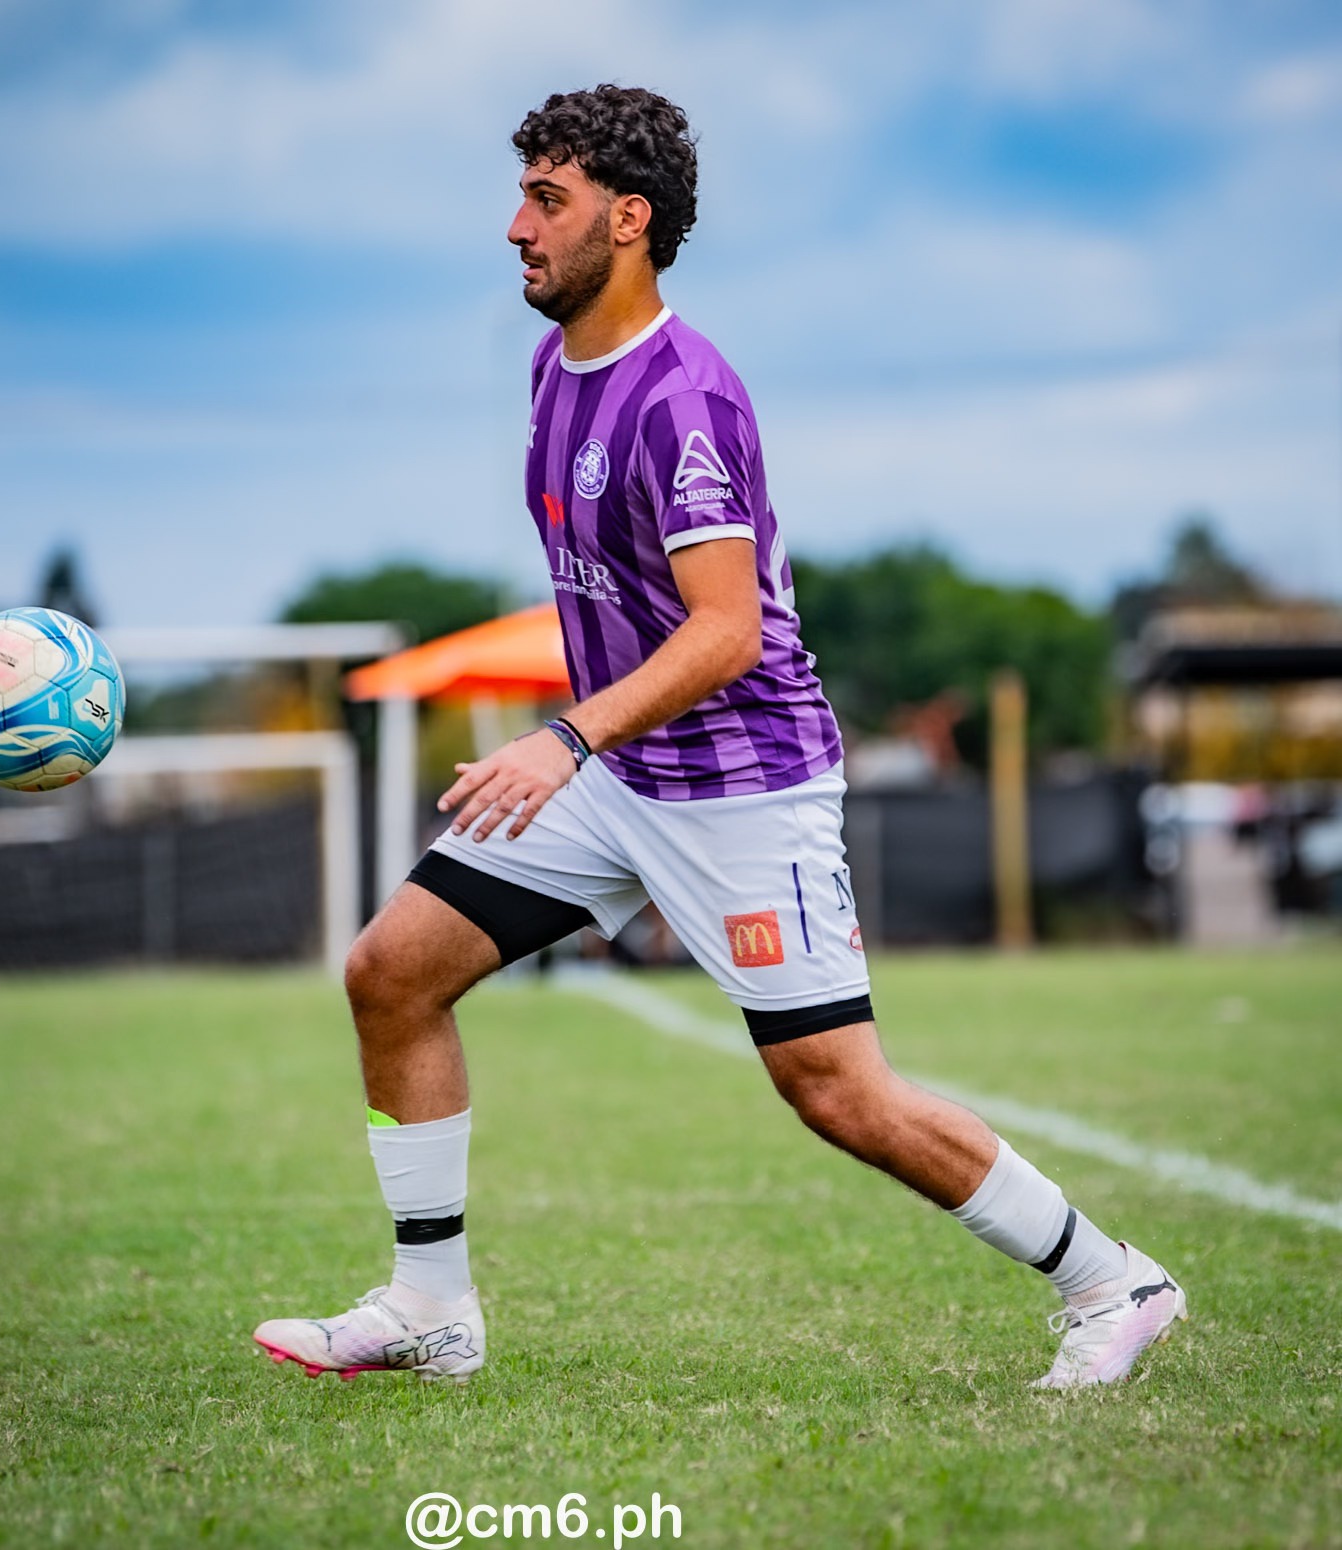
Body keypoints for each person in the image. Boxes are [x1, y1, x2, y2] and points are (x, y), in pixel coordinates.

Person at [253, 86, 1186, 1389]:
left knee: (835, 1090)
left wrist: (559, 739)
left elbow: (723, 630)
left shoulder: (681, 399)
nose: (515, 226)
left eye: (547, 199)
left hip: (743, 785)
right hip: (616, 773)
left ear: (626, 221)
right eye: (520, 193)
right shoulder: (548, 367)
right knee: (391, 972)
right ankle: (429, 1304)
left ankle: (1112, 1278)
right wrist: (582, 750)